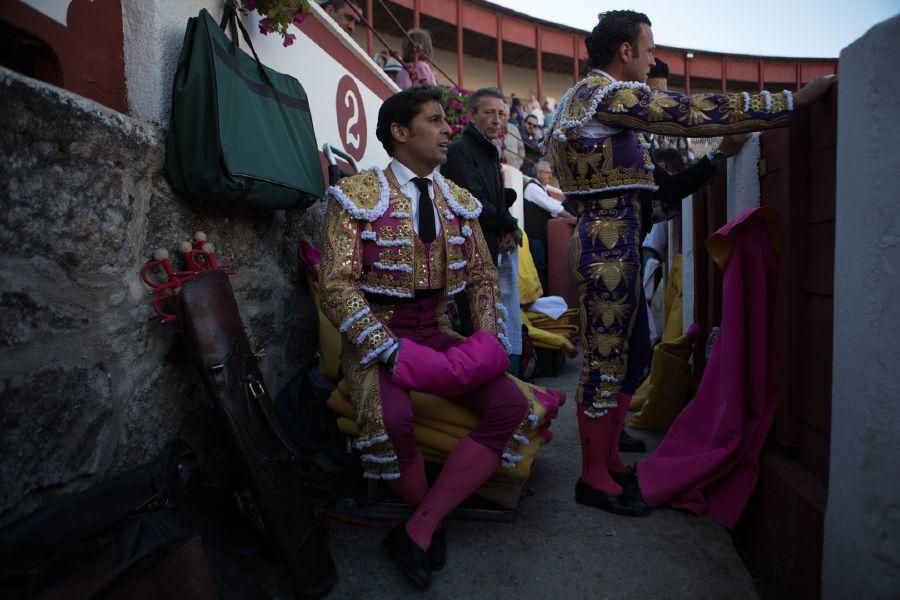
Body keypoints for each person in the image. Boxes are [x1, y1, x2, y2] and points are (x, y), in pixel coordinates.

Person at [545, 9, 835, 516]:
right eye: (650, 47)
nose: (655, 56)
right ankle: (592, 478)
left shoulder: (586, 99)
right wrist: (786, 102)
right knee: (606, 358)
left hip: (611, 236)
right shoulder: (605, 94)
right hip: (607, 244)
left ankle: (609, 462)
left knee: (624, 354)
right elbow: (686, 112)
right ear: (626, 51)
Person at [319, 87, 530, 589]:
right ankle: (428, 517)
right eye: (435, 121)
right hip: (377, 336)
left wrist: (489, 343)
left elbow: (480, 279)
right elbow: (336, 283)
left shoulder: (459, 201)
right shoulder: (357, 195)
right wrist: (384, 346)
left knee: (508, 406)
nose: (446, 130)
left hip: (437, 331)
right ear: (400, 131)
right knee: (392, 417)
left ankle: (421, 524)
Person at [523, 160, 574, 292]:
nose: (550, 176)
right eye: (547, 173)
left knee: (544, 267)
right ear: (538, 173)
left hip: (540, 237)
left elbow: (554, 204)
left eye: (551, 173)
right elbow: (552, 206)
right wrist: (572, 218)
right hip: (535, 238)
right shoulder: (532, 187)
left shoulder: (541, 188)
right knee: (540, 268)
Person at [501, 102, 525, 170]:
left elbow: (521, 148)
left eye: (505, 115)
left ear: (509, 116)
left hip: (513, 168)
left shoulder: (514, 128)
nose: (503, 117)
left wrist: (518, 164)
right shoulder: (492, 129)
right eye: (501, 114)